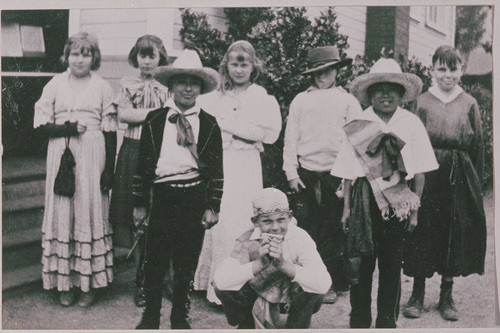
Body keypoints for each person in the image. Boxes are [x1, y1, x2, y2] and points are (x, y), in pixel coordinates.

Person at [331, 57, 439, 328]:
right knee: (361, 267)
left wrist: (414, 211)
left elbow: (422, 171)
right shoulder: (359, 124)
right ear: (369, 93)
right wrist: (346, 210)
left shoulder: (411, 123)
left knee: (391, 268)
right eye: (379, 88)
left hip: (398, 203)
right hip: (364, 201)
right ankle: (359, 321)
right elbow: (347, 171)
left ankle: (386, 323)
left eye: (392, 88)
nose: (386, 94)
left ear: (402, 93)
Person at [133, 49, 223, 329]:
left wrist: (212, 205)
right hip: (162, 195)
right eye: (181, 81)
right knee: (155, 260)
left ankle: (179, 317)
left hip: (193, 196)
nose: (187, 87)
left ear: (200, 88)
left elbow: (216, 170)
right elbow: (143, 166)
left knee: (186, 262)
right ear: (170, 85)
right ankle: (150, 317)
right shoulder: (155, 120)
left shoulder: (209, 124)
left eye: (194, 83)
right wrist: (139, 203)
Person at [402, 45, 487, 322]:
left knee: (453, 230)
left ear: (461, 70)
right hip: (427, 174)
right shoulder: (422, 101)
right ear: (432, 70)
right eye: (441, 68)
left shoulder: (469, 103)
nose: (447, 75)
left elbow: (478, 147)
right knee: (422, 228)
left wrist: (475, 183)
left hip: (458, 174)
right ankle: (417, 292)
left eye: (453, 69)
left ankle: (446, 295)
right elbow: (410, 141)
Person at [194, 40, 282, 306]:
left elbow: (268, 134)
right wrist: (237, 129)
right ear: (226, 65)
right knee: (222, 222)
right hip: (223, 163)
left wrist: (230, 126)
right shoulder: (214, 96)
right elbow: (204, 126)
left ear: (253, 66)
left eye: (244, 64)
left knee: (245, 221)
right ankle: (217, 288)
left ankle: (243, 288)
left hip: (247, 165)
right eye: (234, 64)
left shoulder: (261, 96)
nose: (239, 70)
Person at [34, 32, 117, 307]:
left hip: (93, 154)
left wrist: (109, 171)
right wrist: (67, 128)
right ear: (66, 56)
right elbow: (40, 124)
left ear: (94, 58)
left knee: (88, 209)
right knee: (63, 209)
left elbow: (110, 130)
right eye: (75, 53)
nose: (80, 59)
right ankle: (64, 282)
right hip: (61, 152)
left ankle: (88, 283)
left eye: (86, 54)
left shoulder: (103, 86)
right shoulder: (55, 84)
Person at [282, 45, 362, 303]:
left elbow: (356, 140)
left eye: (327, 71)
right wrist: (291, 173)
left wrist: (349, 176)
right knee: (308, 227)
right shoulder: (300, 100)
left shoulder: (348, 101)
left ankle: (333, 281)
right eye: (317, 72)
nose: (322, 77)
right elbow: (290, 139)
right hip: (306, 174)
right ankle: (307, 280)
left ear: (337, 71)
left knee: (334, 227)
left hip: (336, 174)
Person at [108, 35, 169, 307]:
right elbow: (124, 115)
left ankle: (161, 277)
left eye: (152, 55)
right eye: (142, 55)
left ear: (161, 57)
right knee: (137, 216)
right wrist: (158, 114)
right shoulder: (127, 84)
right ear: (136, 57)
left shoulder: (167, 86)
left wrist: (143, 113)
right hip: (133, 149)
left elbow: (172, 116)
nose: (147, 60)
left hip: (161, 151)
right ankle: (141, 280)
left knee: (160, 214)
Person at [214, 187, 331, 329]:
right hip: (257, 294)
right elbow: (220, 282)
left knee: (314, 289)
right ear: (255, 221)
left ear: (290, 217)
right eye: (267, 221)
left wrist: (283, 265)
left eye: (281, 219)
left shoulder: (300, 237)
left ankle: (296, 326)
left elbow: (324, 283)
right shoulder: (247, 240)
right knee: (222, 285)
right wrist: (259, 264)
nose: (275, 228)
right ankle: (247, 322)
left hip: (289, 295)